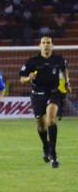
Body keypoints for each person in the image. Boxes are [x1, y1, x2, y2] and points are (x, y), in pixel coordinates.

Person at [19, 36, 70, 168]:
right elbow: (21, 79)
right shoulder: (32, 61)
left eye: (48, 43)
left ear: (52, 45)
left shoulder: (59, 59)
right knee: (41, 125)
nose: (46, 45)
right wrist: (28, 78)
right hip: (37, 95)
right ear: (39, 46)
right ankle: (45, 146)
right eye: (44, 43)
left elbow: (64, 70)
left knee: (51, 120)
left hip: (54, 92)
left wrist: (67, 83)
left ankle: (53, 154)